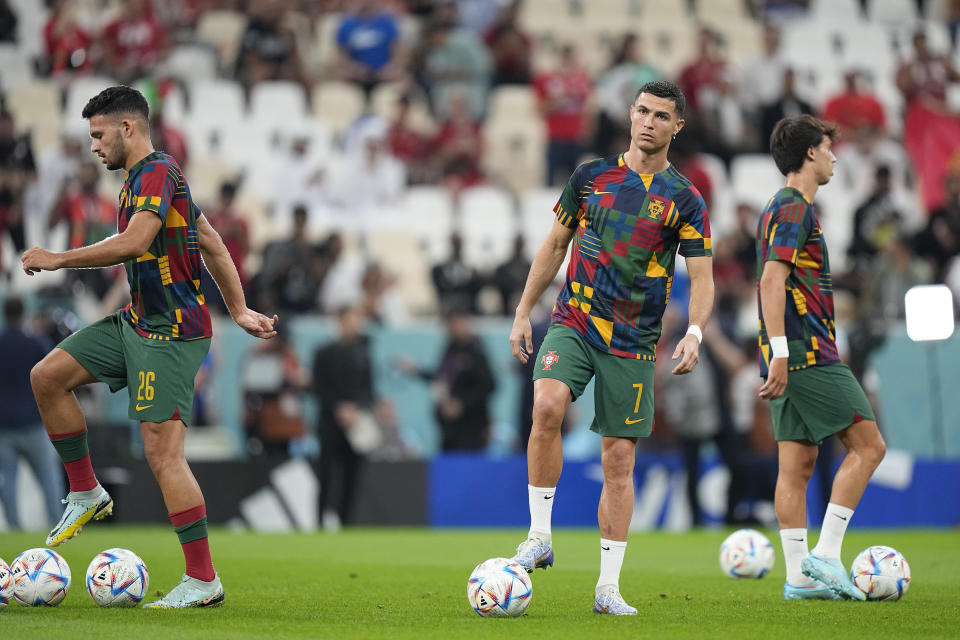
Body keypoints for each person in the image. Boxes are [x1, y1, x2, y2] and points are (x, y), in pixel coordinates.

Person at [20, 86, 278, 608]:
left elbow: (137, 242)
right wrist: (239, 308)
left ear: (128, 129)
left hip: (171, 332)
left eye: (99, 135)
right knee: (47, 376)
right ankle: (86, 491)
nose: (94, 147)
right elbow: (208, 239)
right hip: (136, 321)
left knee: (163, 454)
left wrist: (59, 258)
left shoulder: (157, 172)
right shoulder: (145, 179)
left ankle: (203, 581)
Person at [507, 80, 714, 615]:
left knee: (618, 460)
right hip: (574, 319)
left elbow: (702, 275)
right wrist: (522, 310)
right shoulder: (589, 176)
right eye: (642, 111)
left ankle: (607, 589)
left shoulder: (685, 199)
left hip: (634, 340)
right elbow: (555, 244)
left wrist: (694, 331)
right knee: (547, 404)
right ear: (629, 115)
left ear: (676, 126)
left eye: (661, 116)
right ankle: (539, 536)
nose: (649, 122)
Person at [756, 114, 886, 602]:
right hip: (807, 352)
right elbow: (772, 280)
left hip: (786, 351)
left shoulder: (778, 206)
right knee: (870, 447)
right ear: (810, 152)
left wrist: (772, 351)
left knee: (798, 463)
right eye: (829, 147)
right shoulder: (794, 208)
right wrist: (784, 353)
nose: (834, 156)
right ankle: (828, 554)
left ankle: (799, 579)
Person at [0, 297, 63, 530]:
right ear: (23, 312)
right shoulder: (35, 343)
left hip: (4, 425)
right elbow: (52, 375)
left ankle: (14, 527)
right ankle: (58, 525)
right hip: (34, 423)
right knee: (49, 478)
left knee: (8, 481)